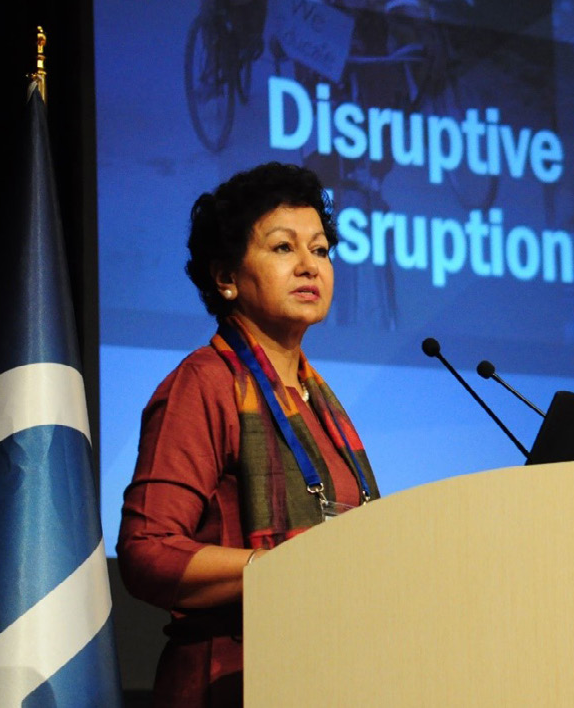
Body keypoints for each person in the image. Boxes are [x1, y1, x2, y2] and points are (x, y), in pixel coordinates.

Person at [117, 162, 379, 707]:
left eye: (322, 250)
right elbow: (147, 552)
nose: (310, 265)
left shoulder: (321, 404)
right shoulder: (204, 385)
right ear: (226, 278)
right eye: (284, 248)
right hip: (231, 681)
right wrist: (281, 569)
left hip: (329, 676)